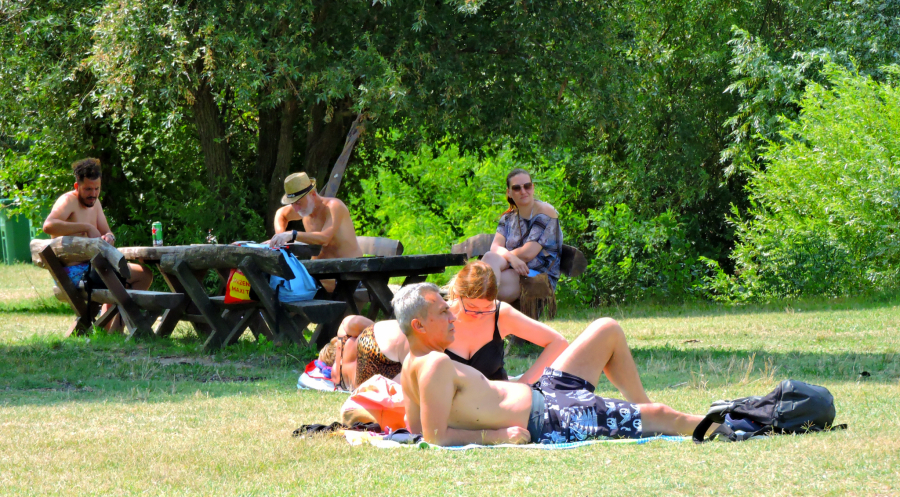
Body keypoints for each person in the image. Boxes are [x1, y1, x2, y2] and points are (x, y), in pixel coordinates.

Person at [395, 283, 718, 446]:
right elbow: (435, 437)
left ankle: (644, 413)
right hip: (553, 419)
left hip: (546, 393)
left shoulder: (413, 362)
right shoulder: (435, 364)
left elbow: (416, 429)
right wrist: (493, 436)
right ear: (419, 326)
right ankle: (739, 428)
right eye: (442, 313)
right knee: (666, 416)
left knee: (606, 329)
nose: (453, 317)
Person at [42, 158, 153, 299]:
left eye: (97, 189)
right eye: (88, 189)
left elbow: (107, 231)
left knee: (137, 276)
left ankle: (107, 321)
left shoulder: (95, 203)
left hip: (96, 268)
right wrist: (86, 227)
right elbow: (48, 226)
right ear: (77, 186)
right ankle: (112, 320)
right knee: (142, 275)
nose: (93, 194)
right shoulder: (68, 201)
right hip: (74, 274)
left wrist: (109, 237)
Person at [446, 260, 568, 383]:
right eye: (471, 307)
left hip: (497, 398)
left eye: (488, 307)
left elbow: (558, 342)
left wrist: (524, 384)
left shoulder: (501, 314)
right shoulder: (440, 315)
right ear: (457, 295)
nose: (479, 314)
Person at [267, 172, 363, 292]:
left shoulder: (334, 206)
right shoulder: (305, 208)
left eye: (298, 203)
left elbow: (324, 239)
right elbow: (281, 214)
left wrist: (293, 234)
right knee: (276, 288)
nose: (295, 208)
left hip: (351, 274)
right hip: (318, 273)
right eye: (292, 203)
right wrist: (280, 237)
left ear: (312, 194)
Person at [482, 168, 563, 308]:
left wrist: (505, 257)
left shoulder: (546, 212)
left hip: (540, 278)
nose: (523, 191)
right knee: (489, 261)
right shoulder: (508, 218)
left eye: (527, 186)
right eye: (517, 188)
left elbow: (528, 253)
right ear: (509, 192)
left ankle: (481, 317)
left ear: (533, 187)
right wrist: (511, 258)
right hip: (513, 271)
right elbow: (495, 247)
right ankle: (485, 315)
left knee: (481, 289)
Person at [323, 315, 409, 391]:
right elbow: (355, 322)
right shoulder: (342, 339)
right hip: (369, 343)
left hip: (366, 383)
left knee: (410, 373)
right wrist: (377, 329)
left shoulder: (336, 377)